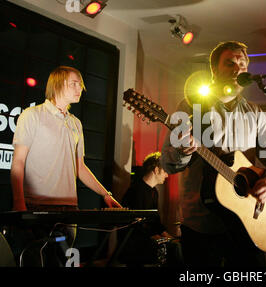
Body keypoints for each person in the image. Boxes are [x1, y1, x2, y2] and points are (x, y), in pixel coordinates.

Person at [161, 41, 266, 267]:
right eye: (230, 63)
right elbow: (167, 164)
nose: (237, 68)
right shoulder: (189, 107)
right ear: (214, 70)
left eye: (242, 64)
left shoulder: (256, 112)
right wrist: (183, 151)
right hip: (201, 222)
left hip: (246, 221)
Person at [9, 65, 121, 266]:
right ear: (59, 84)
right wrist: (19, 205)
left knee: (62, 263)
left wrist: (106, 194)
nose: (80, 88)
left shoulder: (76, 123)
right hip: (37, 208)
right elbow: (18, 162)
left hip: (70, 212)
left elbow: (80, 167)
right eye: (74, 84)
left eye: (81, 84)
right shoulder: (32, 115)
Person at [119, 151, 182, 266]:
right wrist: (157, 237)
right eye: (165, 171)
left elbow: (155, 221)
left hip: (144, 238)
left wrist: (169, 237)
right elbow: (136, 224)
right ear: (156, 170)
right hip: (134, 243)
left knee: (176, 245)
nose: (167, 175)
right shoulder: (136, 190)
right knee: (174, 250)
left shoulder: (154, 192)